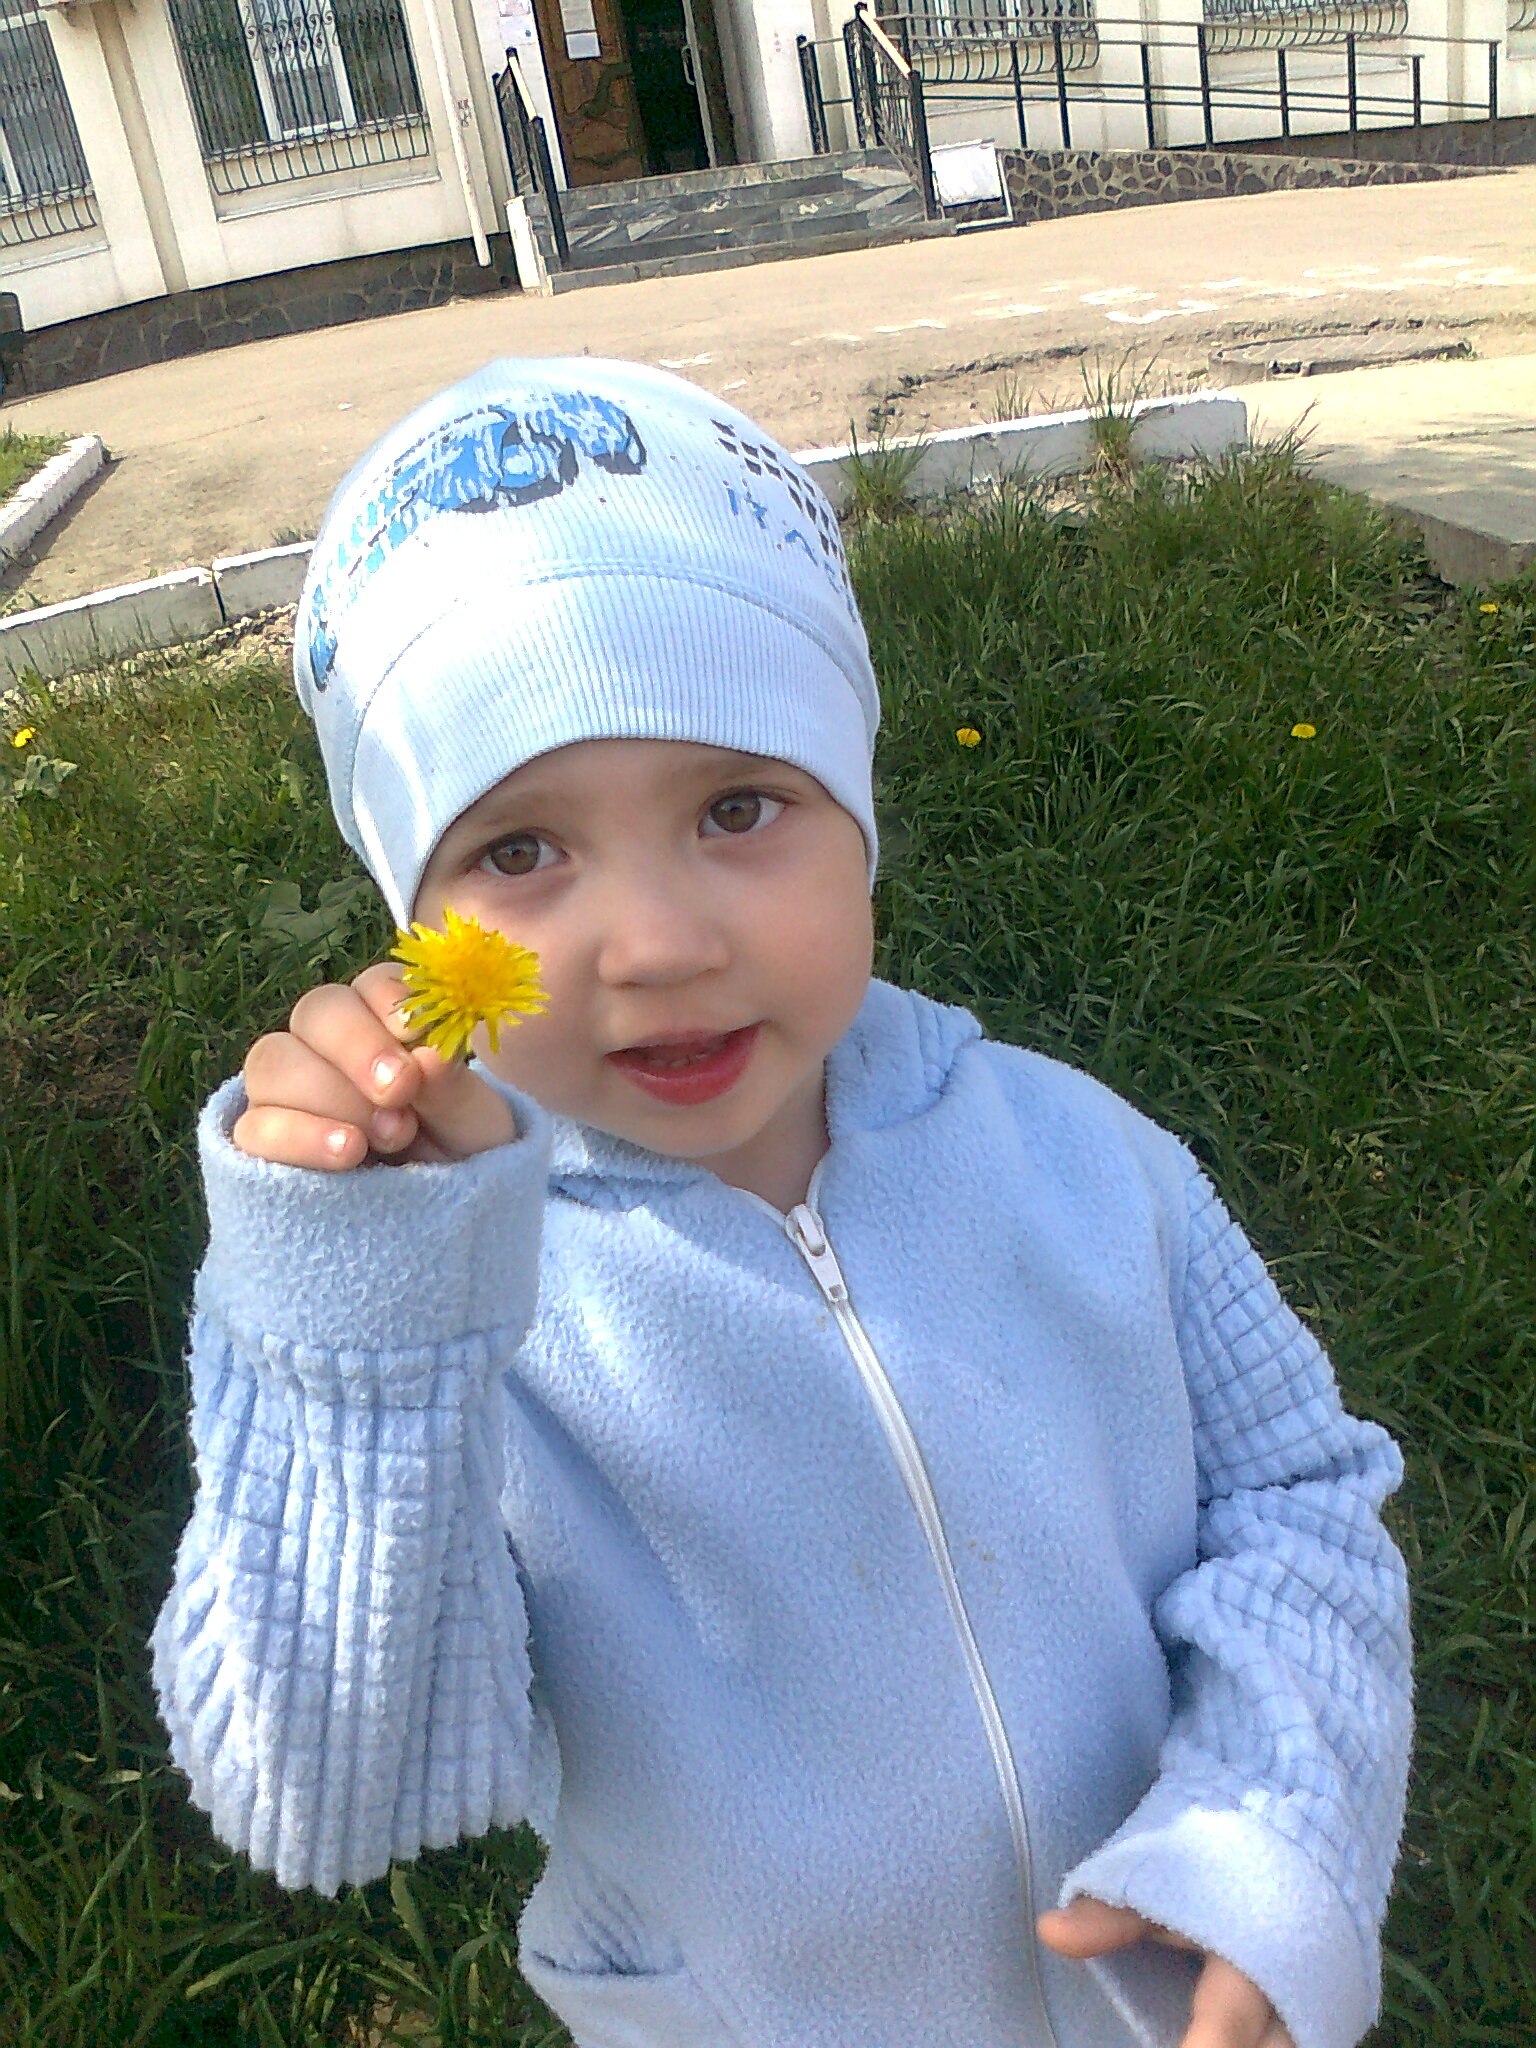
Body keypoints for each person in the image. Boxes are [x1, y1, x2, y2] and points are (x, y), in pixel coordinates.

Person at [152, 357, 1412, 2048]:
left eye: (738, 808)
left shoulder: (1085, 1158)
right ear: (413, 922)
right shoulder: (435, 1300)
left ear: (859, 820)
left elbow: (1300, 1497)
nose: (660, 944)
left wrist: (1266, 1827)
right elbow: (322, 1799)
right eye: (518, 852)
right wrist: (359, 1320)